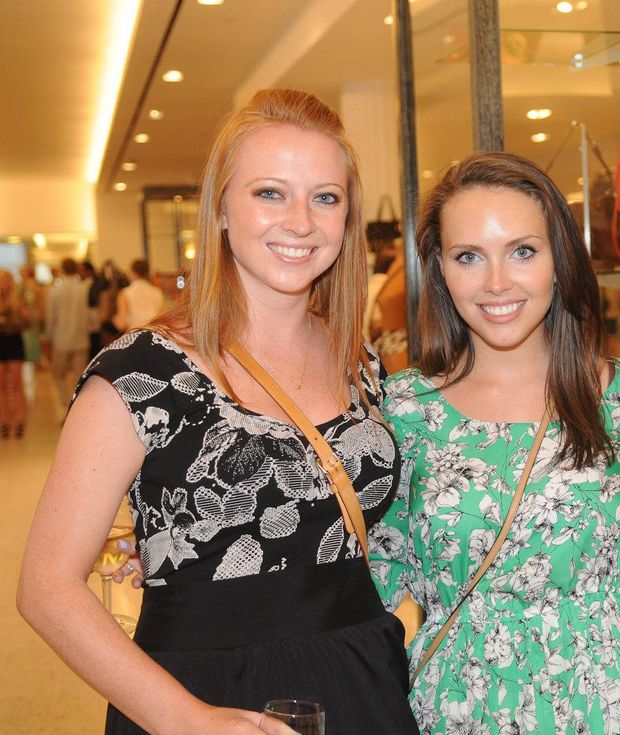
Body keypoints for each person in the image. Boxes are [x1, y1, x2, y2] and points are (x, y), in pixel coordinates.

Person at [18, 88, 418, 735]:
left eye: (325, 196)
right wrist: (185, 718)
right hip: (202, 695)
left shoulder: (361, 361)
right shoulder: (144, 371)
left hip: (359, 679)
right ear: (222, 208)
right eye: (270, 193)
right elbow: (46, 585)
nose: (301, 221)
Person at [369, 152, 620, 733]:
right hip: (459, 700)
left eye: (522, 251)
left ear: (558, 260)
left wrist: (581, 571)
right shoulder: (405, 408)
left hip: (602, 696)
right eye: (469, 257)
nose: (496, 283)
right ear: (440, 268)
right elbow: (374, 563)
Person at [45, 257, 91, 409]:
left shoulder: (55, 291)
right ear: (76, 269)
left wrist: (48, 336)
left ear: (62, 269)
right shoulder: (83, 288)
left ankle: (65, 403)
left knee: (59, 374)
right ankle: (78, 404)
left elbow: (51, 317)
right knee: (79, 375)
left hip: (61, 338)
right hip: (81, 338)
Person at [0, 269, 29, 438]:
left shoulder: (18, 300)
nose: (4, 284)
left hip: (14, 342)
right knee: (1, 384)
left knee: (17, 383)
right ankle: (4, 420)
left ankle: (19, 420)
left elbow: (26, 323)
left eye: (7, 280)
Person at [112, 258, 165, 332]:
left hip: (135, 335)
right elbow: (162, 317)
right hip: (155, 334)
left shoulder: (125, 293)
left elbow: (122, 324)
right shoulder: (157, 292)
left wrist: (114, 319)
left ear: (132, 272)